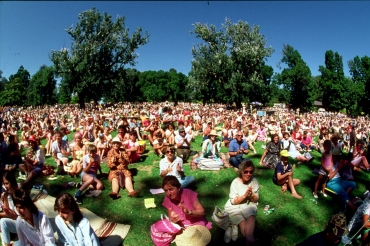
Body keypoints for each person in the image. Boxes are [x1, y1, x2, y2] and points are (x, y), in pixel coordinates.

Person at [224, 160, 259, 245]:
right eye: (246, 172)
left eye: (250, 172)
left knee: (251, 215)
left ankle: (249, 240)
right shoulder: (235, 182)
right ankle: (250, 240)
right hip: (235, 206)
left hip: (248, 204)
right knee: (241, 221)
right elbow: (234, 201)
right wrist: (244, 196)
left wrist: (251, 195)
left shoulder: (254, 181)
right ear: (241, 172)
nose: (248, 174)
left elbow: (255, 200)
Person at [0, 171, 20, 246]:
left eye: (7, 183)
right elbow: (7, 212)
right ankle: (7, 244)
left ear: (12, 181)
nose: (5, 186)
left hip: (25, 223)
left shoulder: (19, 192)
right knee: (3, 221)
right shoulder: (6, 195)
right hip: (16, 222)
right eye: (4, 183)